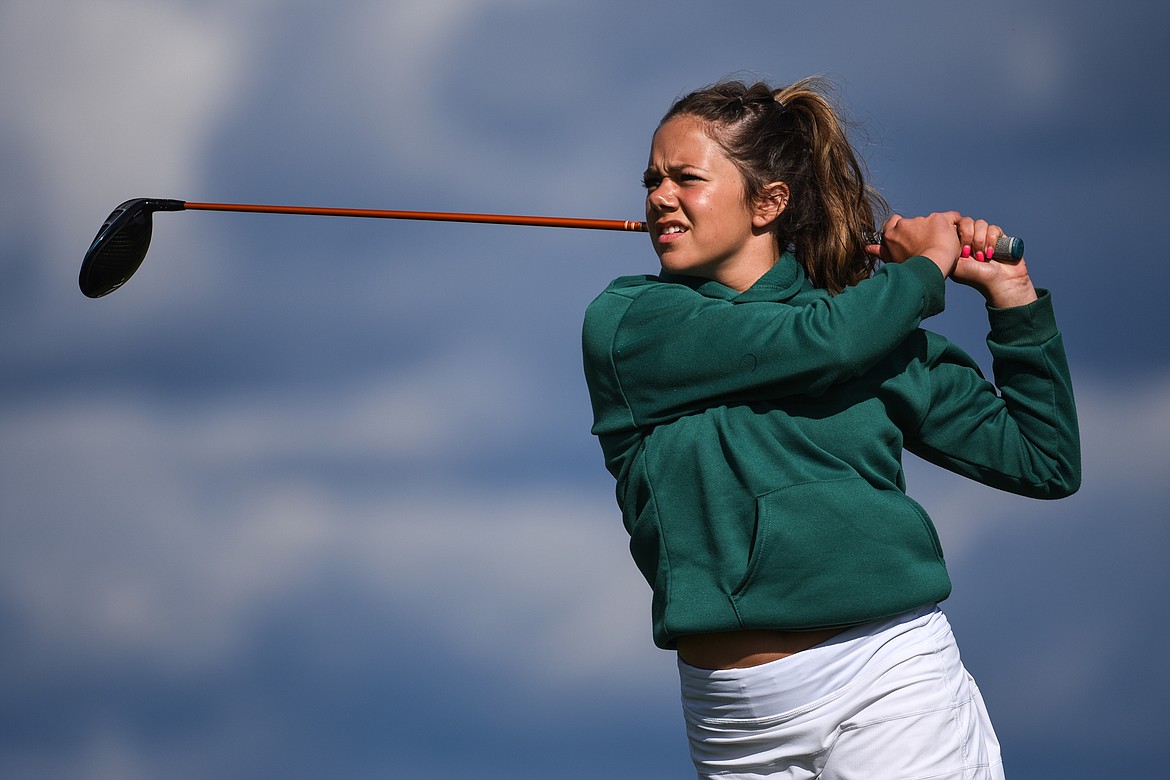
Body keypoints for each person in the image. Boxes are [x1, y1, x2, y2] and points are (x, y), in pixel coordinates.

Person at [581, 77, 1081, 779]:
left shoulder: (870, 327)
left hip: (889, 680)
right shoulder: (630, 324)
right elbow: (820, 343)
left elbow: (1044, 460)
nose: (660, 195)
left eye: (686, 178)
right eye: (653, 179)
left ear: (769, 201)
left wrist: (1014, 300)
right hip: (732, 715)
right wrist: (927, 269)